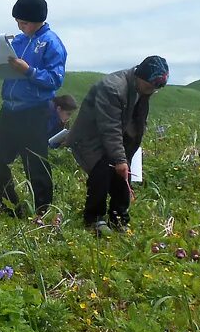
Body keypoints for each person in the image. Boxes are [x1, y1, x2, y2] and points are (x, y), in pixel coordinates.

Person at [0, 0, 67, 218]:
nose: (20, 27)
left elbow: (55, 80)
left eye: (24, 23)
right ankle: (11, 207)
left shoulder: (51, 43)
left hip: (35, 110)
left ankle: (43, 213)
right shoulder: (18, 41)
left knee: (35, 163)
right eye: (18, 22)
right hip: (9, 108)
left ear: (38, 20)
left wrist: (29, 71)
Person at [68, 56, 168, 233]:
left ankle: (119, 218)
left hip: (117, 137)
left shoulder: (143, 89)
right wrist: (120, 159)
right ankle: (94, 219)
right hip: (91, 137)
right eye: (149, 86)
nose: (151, 91)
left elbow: (136, 122)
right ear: (140, 76)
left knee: (123, 175)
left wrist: (125, 157)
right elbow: (110, 128)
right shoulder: (113, 88)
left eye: (155, 88)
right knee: (102, 169)